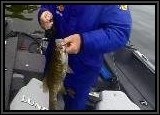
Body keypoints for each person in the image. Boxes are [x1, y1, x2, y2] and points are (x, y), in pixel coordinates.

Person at [38, 5, 132, 110]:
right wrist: (43, 13)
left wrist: (83, 41)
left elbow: (120, 32)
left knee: (74, 105)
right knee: (46, 95)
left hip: (83, 70)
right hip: (53, 58)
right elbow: (47, 6)